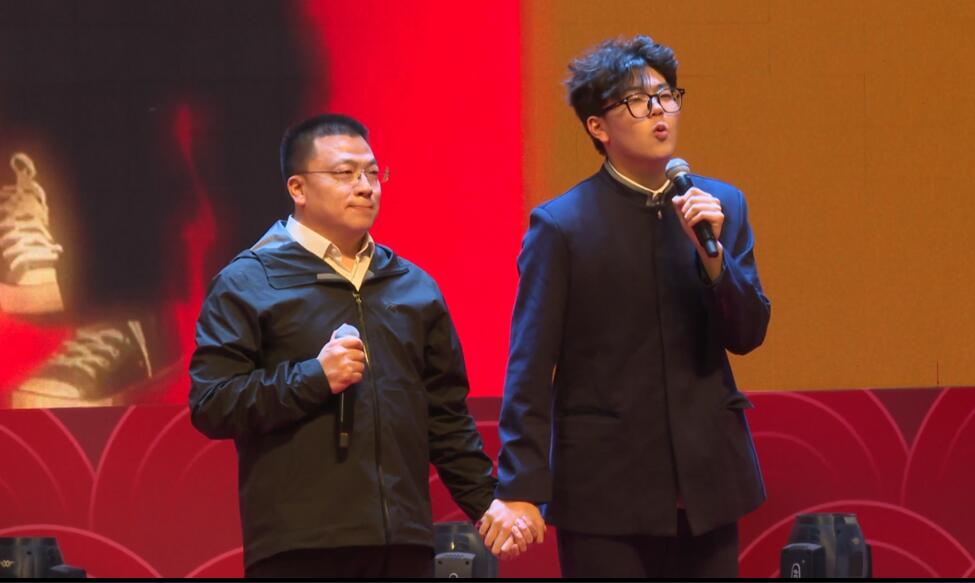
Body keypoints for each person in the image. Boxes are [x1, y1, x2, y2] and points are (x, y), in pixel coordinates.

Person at [189, 114, 533, 578]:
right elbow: (212, 403)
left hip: (403, 544)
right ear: (298, 188)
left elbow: (445, 416)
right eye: (344, 173)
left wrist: (485, 503)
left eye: (373, 173)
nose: (366, 187)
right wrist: (314, 377)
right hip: (300, 548)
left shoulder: (413, 287)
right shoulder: (248, 282)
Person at [493, 35, 771, 578]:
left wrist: (713, 261)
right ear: (598, 126)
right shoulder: (562, 225)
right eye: (638, 101)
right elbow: (530, 363)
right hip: (606, 487)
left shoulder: (720, 205)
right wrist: (520, 484)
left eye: (666, 96)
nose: (659, 111)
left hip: (708, 480)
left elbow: (749, 333)